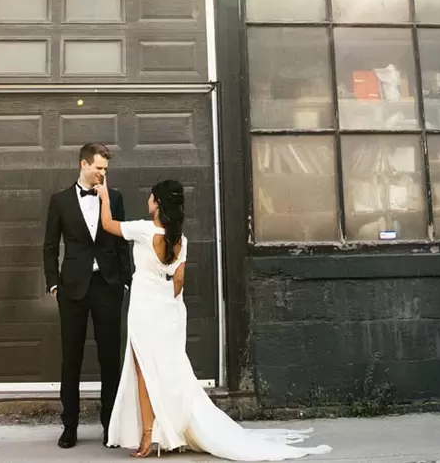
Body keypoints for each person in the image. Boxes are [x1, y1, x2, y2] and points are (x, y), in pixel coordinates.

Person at [98, 180, 332, 460]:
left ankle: (150, 435)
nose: (147, 201)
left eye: (150, 197)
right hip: (167, 307)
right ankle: (168, 429)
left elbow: (108, 224)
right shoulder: (180, 240)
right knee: (170, 368)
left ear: (157, 203)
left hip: (144, 306)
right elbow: (179, 281)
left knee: (144, 373)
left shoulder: (145, 230)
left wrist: (104, 196)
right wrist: (166, 303)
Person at [43, 142, 133, 449]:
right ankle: (69, 426)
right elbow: (50, 246)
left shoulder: (115, 198)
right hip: (73, 290)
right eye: (98, 168)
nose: (103, 174)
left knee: (111, 360)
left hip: (107, 287)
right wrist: (53, 284)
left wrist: (125, 281)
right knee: (72, 359)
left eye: (106, 169)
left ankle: (111, 426)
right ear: (83, 165)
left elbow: (122, 242)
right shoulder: (60, 201)